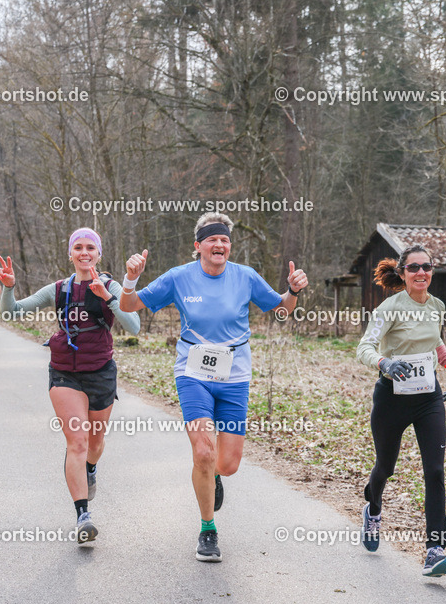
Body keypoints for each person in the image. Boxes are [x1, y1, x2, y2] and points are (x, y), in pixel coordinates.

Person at [120, 212, 307, 562]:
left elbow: (282, 310)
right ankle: (208, 529)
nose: (219, 244)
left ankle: (214, 477)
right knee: (203, 452)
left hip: (235, 377)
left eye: (224, 240)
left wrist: (293, 291)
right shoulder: (179, 277)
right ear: (198, 246)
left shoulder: (246, 277)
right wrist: (130, 279)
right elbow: (129, 305)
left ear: (229, 246)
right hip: (193, 374)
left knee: (229, 463)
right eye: (211, 239)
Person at [0, 228, 141, 544]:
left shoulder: (111, 285)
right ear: (70, 253)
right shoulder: (59, 289)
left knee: (95, 442)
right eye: (78, 247)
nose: (84, 252)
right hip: (64, 372)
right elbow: (11, 313)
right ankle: (83, 516)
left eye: (90, 247)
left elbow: (134, 327)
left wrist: (109, 297)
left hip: (101, 372)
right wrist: (8, 288)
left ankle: (91, 468)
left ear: (99, 254)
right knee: (76, 441)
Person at [356, 244, 446, 577]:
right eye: (413, 268)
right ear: (402, 273)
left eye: (426, 267)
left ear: (432, 271)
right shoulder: (389, 308)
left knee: (435, 470)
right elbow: (364, 348)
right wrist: (384, 363)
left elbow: (433, 339)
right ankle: (373, 508)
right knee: (385, 467)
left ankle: (435, 549)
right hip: (391, 398)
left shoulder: (437, 306)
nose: (421, 273)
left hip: (428, 398)